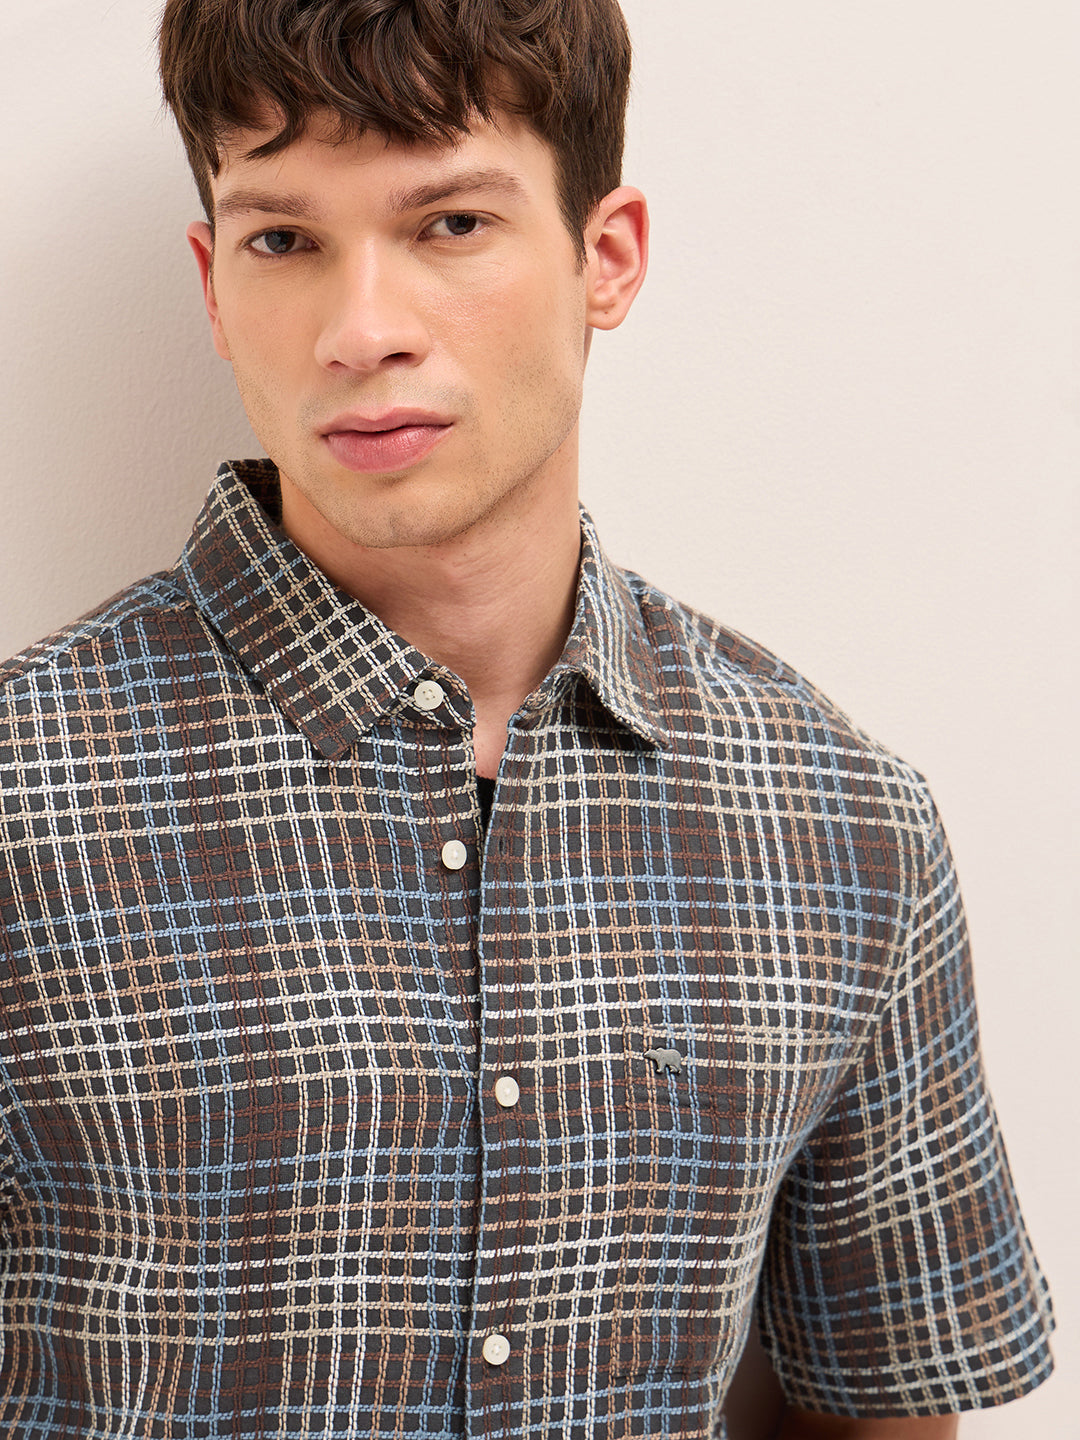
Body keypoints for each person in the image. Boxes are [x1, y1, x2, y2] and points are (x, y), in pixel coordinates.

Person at [0, 0, 1053, 1435]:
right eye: (284, 240)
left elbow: (879, 1406)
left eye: (450, 224)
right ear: (214, 284)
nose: (362, 332)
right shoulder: (25, 788)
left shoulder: (841, 823)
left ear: (603, 258)